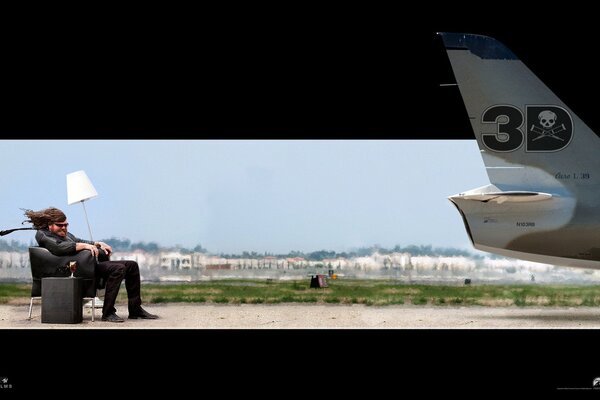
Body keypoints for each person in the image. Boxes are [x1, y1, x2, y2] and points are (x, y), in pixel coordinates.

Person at [24, 207, 158, 323]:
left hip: (86, 266)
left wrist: (97, 243)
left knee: (132, 266)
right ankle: (108, 313)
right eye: (60, 225)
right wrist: (83, 246)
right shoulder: (43, 235)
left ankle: (135, 309)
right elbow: (59, 248)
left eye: (66, 224)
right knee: (119, 269)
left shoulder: (65, 234)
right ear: (50, 225)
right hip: (75, 270)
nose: (64, 228)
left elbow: (79, 240)